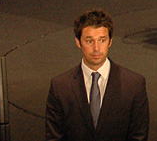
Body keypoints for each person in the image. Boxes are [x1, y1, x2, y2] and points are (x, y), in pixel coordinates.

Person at [46, 9, 149, 141]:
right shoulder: (60, 86)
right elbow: (54, 137)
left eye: (102, 40)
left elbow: (138, 136)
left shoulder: (134, 84)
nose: (96, 48)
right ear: (78, 42)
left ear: (110, 42)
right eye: (89, 41)